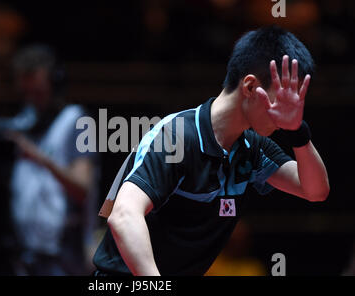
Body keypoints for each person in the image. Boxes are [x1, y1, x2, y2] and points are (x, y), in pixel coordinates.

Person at [92, 26, 329, 276]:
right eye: (283, 97)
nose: (290, 107)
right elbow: (123, 214)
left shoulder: (252, 148)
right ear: (249, 87)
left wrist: (296, 131)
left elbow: (315, 190)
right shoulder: (177, 137)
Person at [0, 45, 98, 275]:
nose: (32, 100)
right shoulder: (23, 122)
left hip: (64, 254)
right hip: (26, 251)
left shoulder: (77, 122)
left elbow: (83, 189)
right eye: (26, 93)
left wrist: (39, 158)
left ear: (55, 85)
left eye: (38, 92)